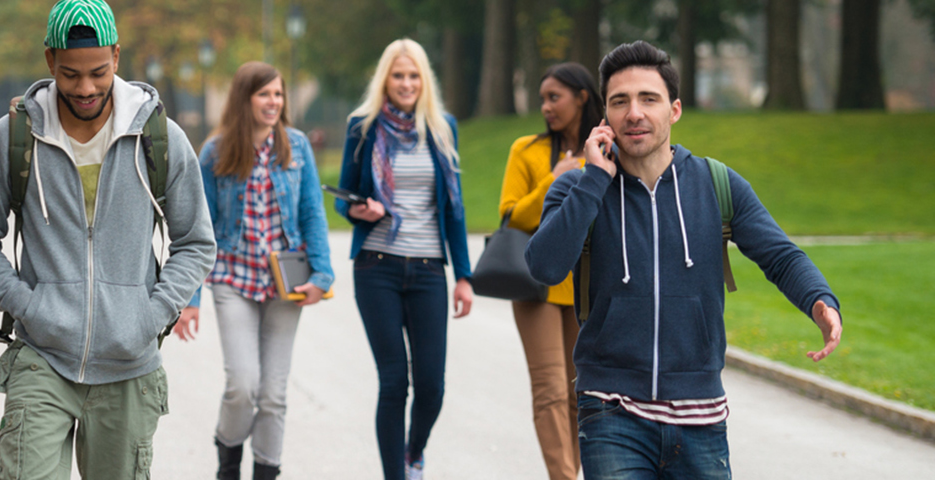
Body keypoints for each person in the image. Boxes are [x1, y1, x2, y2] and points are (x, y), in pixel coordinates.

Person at [526, 41, 843, 480]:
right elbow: (543, 266)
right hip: (611, 412)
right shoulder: (578, 189)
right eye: (620, 101)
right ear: (605, 116)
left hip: (701, 418)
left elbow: (780, 255)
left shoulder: (717, 185)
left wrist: (820, 300)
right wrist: (595, 178)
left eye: (648, 99)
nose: (634, 112)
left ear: (673, 110)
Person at [0, 0, 215, 478]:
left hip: (129, 366)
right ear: (50, 60)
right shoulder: (13, 136)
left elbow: (196, 242)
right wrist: (29, 306)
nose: (86, 87)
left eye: (98, 71)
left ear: (117, 56)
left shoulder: (160, 137)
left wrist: (152, 314)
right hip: (41, 358)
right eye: (71, 74)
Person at [172, 61, 333, 480]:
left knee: (274, 394)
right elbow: (197, 227)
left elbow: (313, 211)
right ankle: (228, 461)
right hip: (233, 280)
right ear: (245, 99)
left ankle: (265, 473)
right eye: (265, 94)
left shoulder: (296, 146)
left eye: (278, 94)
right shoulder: (217, 150)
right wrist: (189, 300)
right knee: (243, 386)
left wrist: (322, 275)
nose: (273, 102)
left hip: (286, 283)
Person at [334, 37, 474, 480]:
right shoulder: (363, 126)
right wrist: (359, 209)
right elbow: (344, 198)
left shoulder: (442, 126)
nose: (407, 83)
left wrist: (464, 276)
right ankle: (396, 474)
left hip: (430, 268)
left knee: (432, 385)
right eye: (398, 75)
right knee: (395, 381)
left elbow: (455, 209)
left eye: (414, 75)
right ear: (385, 79)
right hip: (378, 264)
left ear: (424, 79)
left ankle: (414, 454)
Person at [496, 61, 602, 480]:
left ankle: (575, 470)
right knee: (551, 389)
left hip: (588, 286)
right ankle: (563, 476)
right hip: (536, 284)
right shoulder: (526, 149)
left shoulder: (605, 147)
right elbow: (511, 217)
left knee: (582, 391)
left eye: (554, 97)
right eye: (542, 99)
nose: (545, 107)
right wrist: (553, 181)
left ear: (581, 97)